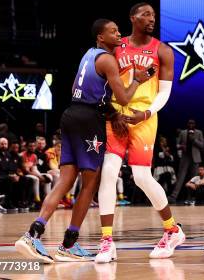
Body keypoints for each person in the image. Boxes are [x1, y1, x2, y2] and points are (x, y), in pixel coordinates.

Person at [15, 18, 151, 263]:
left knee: (65, 180)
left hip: (71, 115)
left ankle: (33, 233)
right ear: (100, 37)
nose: (119, 33)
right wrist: (139, 80)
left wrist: (111, 114)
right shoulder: (108, 59)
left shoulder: (88, 55)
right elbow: (123, 98)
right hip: (88, 121)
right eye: (113, 31)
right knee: (89, 183)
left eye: (119, 30)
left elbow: (85, 92)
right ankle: (68, 244)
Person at [96, 3, 184, 263]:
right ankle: (106, 241)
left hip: (144, 117)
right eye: (145, 14)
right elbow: (104, 82)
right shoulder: (116, 45)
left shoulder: (163, 50)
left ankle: (172, 229)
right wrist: (112, 113)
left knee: (142, 177)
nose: (151, 18)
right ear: (132, 17)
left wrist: (145, 114)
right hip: (116, 116)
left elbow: (165, 92)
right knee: (109, 172)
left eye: (154, 15)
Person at [169, 119, 204, 203]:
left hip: (195, 157)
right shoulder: (183, 133)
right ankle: (173, 196)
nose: (191, 124)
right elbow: (177, 145)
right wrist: (181, 146)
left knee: (194, 179)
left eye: (193, 123)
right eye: (189, 123)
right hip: (185, 157)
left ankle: (192, 197)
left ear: (195, 124)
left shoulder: (199, 132)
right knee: (181, 177)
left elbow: (202, 145)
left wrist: (193, 140)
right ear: (187, 124)